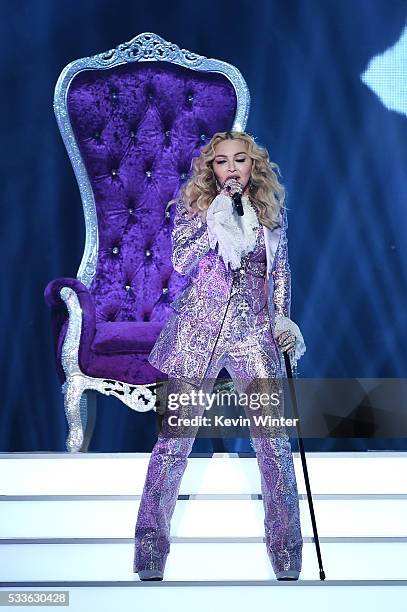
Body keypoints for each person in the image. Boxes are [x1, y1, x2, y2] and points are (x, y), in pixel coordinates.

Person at [133, 131, 306, 581]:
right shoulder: (195, 210)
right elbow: (182, 262)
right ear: (212, 169)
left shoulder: (270, 216)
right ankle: (150, 554)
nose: (232, 168)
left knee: (274, 446)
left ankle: (287, 557)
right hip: (198, 332)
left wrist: (283, 321)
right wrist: (216, 218)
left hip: (252, 333)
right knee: (173, 444)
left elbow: (280, 272)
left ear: (254, 166)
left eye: (241, 160)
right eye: (222, 161)